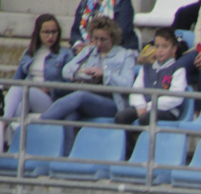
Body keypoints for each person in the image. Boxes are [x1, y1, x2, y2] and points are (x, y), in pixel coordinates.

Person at [39, 16, 137, 150]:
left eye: (103, 39)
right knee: (70, 116)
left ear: (113, 38)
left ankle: (41, 122)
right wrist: (82, 72)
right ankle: (67, 158)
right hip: (88, 98)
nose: (98, 43)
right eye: (95, 39)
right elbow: (66, 71)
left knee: (80, 95)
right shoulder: (88, 51)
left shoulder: (126, 55)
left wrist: (104, 74)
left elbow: (127, 84)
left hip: (112, 102)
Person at [3, 14, 74, 129]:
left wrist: (49, 87)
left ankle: (1, 124)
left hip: (51, 100)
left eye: (54, 32)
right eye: (46, 32)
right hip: (29, 94)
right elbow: (17, 78)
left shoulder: (65, 54)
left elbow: (70, 86)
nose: (51, 36)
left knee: (21, 88)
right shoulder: (29, 53)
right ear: (38, 33)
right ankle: (14, 142)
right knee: (19, 106)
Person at [115, 27, 188, 126]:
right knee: (121, 117)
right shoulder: (146, 68)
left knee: (146, 118)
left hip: (167, 110)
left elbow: (176, 97)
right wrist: (140, 106)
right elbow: (136, 90)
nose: (160, 50)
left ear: (174, 49)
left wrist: (150, 106)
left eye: (165, 46)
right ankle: (131, 141)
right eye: (157, 46)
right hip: (144, 107)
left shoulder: (178, 69)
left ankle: (146, 141)